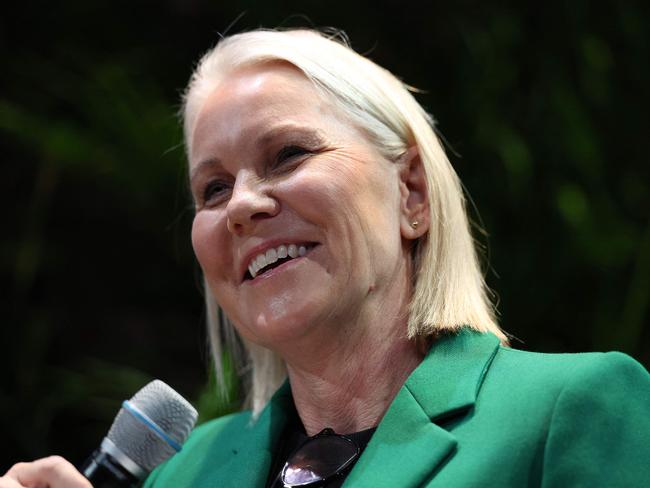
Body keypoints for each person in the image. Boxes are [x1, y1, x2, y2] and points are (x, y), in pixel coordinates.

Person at [3, 28, 650, 488]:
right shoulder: (183, 474)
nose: (241, 206)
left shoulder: (572, 411)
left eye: (287, 155)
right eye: (213, 188)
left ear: (412, 194)